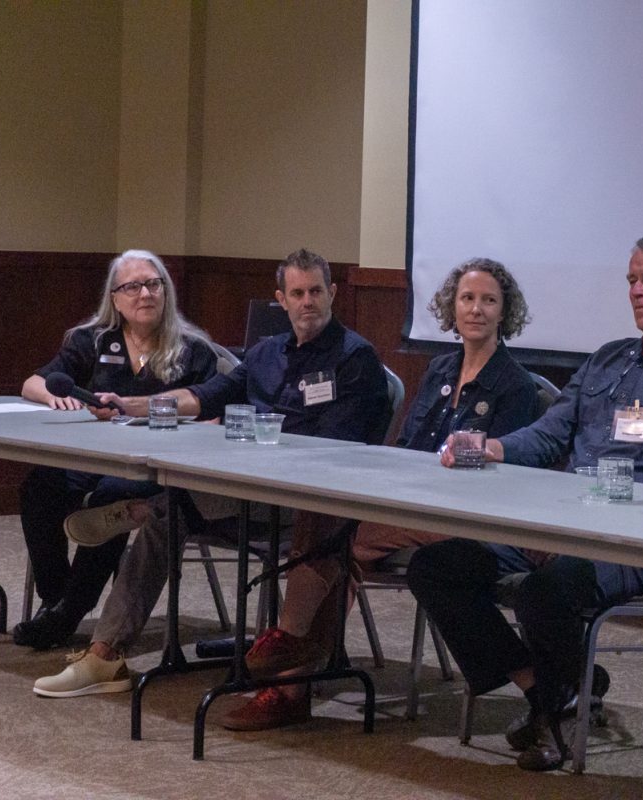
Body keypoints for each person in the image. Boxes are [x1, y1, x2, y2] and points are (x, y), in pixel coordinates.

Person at [406, 234, 643, 772]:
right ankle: (549, 690)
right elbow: (546, 437)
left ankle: (555, 712)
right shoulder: (607, 361)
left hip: (632, 543)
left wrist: (578, 516)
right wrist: (489, 448)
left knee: (546, 592)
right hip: (556, 525)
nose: (636, 290)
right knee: (437, 567)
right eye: (631, 280)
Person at [32, 248, 389, 698]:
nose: (307, 302)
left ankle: (134, 538)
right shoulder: (264, 354)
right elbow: (205, 396)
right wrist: (133, 406)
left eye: (316, 291)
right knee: (168, 511)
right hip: (247, 490)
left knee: (168, 510)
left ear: (332, 293)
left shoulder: (355, 358)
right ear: (281, 299)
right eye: (296, 293)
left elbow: (341, 450)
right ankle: (105, 653)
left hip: (311, 508)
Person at [219, 257, 543, 731]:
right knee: (336, 543)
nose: (476, 309)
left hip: (469, 514)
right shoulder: (438, 371)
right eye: (467, 299)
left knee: (330, 526)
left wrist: (457, 460)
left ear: (504, 311)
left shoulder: (515, 384)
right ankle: (295, 678)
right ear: (452, 308)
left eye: (488, 300)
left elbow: (509, 465)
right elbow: (410, 446)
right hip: (411, 502)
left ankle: (291, 645)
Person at [13, 250, 218, 650]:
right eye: (133, 286)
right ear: (115, 297)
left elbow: (214, 414)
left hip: (153, 467)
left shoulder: (194, 350)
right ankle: (56, 594)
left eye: (153, 284)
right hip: (94, 455)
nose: (145, 294)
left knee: (110, 499)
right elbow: (34, 383)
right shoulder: (92, 340)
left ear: (166, 291)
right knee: (39, 485)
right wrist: (58, 398)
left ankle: (69, 612)